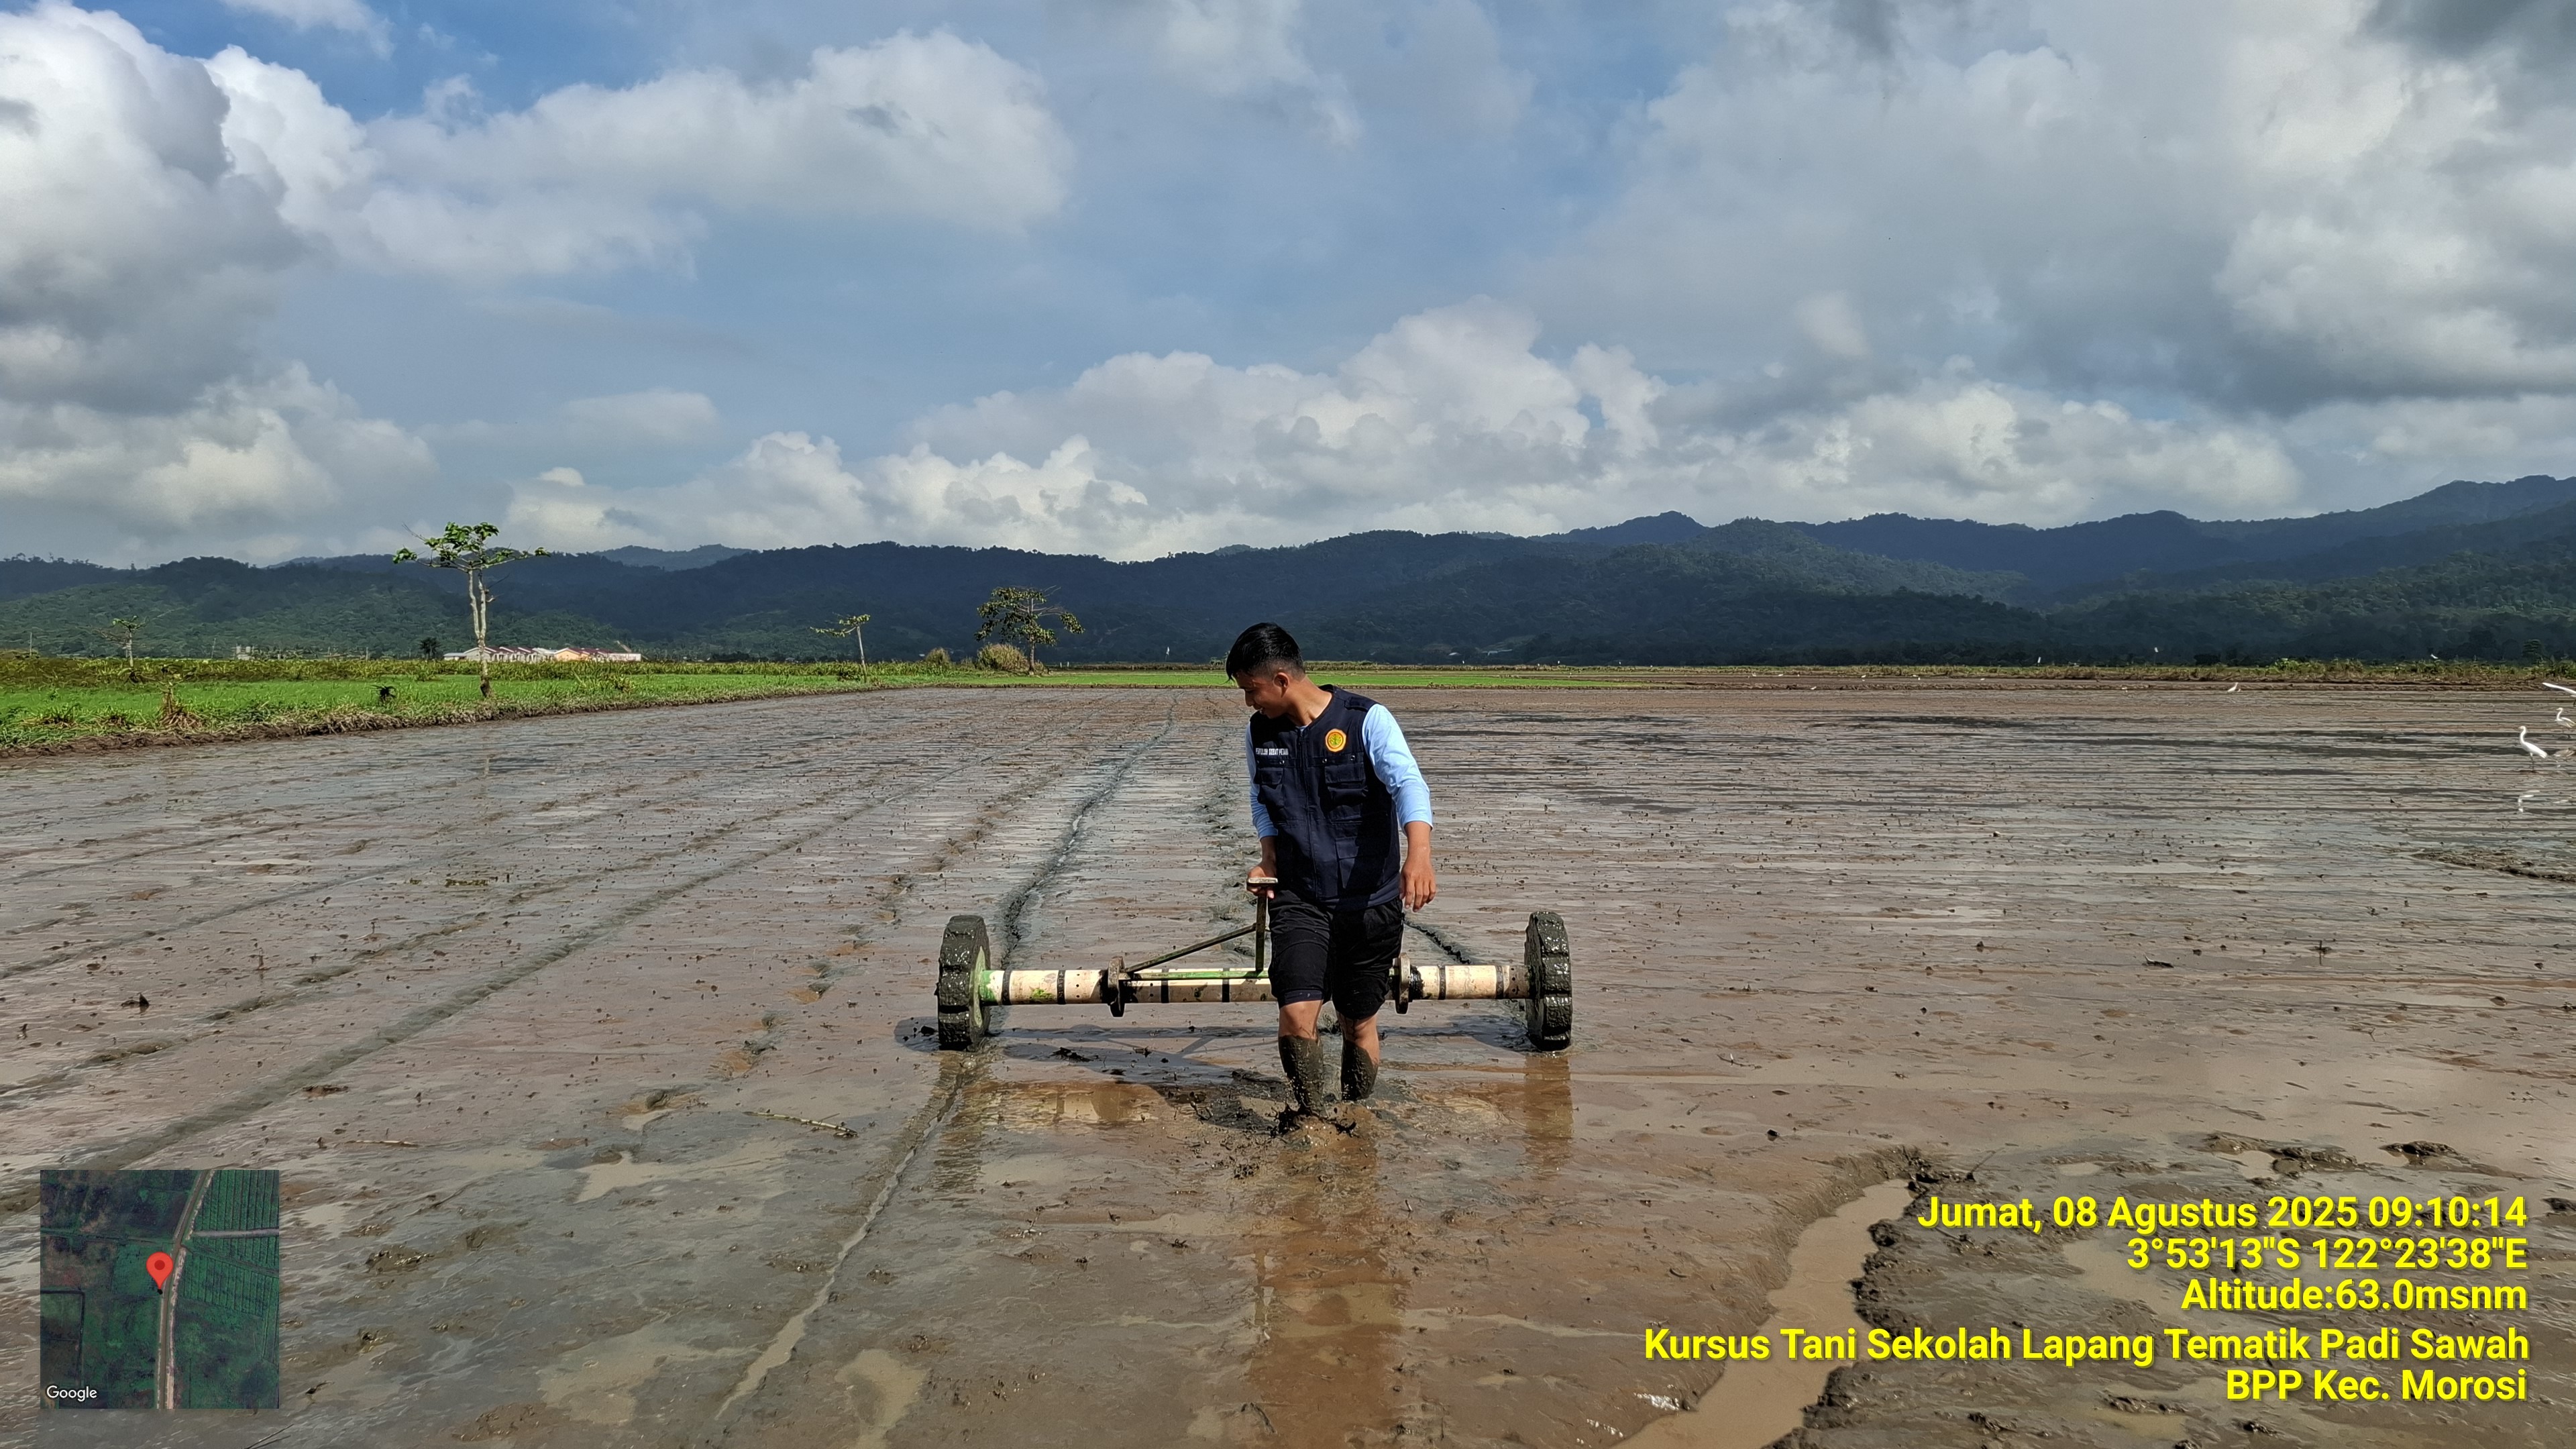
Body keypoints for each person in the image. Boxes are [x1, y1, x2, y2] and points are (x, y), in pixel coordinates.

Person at [1228, 622, 1435, 1128]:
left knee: (1358, 1020)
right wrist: (1268, 859)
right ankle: (1310, 1114)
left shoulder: (1367, 720)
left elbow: (1407, 782)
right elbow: (1263, 802)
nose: (1249, 703)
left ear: (1280, 680)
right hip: (1301, 895)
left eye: (1251, 691)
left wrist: (1420, 854)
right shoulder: (1261, 734)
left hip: (1370, 900)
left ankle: (1354, 1116)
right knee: (1298, 1014)